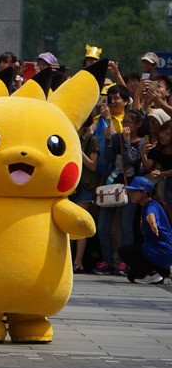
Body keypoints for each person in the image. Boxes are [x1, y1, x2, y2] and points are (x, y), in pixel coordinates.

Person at [94, 109, 149, 276]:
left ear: (138, 124)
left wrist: (126, 141)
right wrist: (109, 139)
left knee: (126, 227)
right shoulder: (117, 136)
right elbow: (109, 158)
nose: (125, 126)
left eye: (129, 123)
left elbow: (129, 160)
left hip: (130, 188)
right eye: (124, 122)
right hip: (111, 185)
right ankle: (108, 261)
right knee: (103, 226)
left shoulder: (141, 143)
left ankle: (125, 262)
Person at [119, 177, 172, 284]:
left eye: (133, 191)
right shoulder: (145, 206)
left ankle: (152, 274)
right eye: (130, 191)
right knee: (132, 276)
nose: (130, 194)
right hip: (159, 253)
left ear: (144, 193)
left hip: (161, 251)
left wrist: (153, 223)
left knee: (125, 251)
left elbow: (151, 215)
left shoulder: (151, 205)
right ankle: (157, 274)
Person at [70, 115, 99, 273]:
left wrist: (78, 151)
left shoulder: (91, 139)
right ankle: (66, 260)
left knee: (80, 223)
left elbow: (93, 166)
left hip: (85, 184)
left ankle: (78, 262)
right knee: (66, 224)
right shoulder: (67, 134)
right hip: (69, 185)